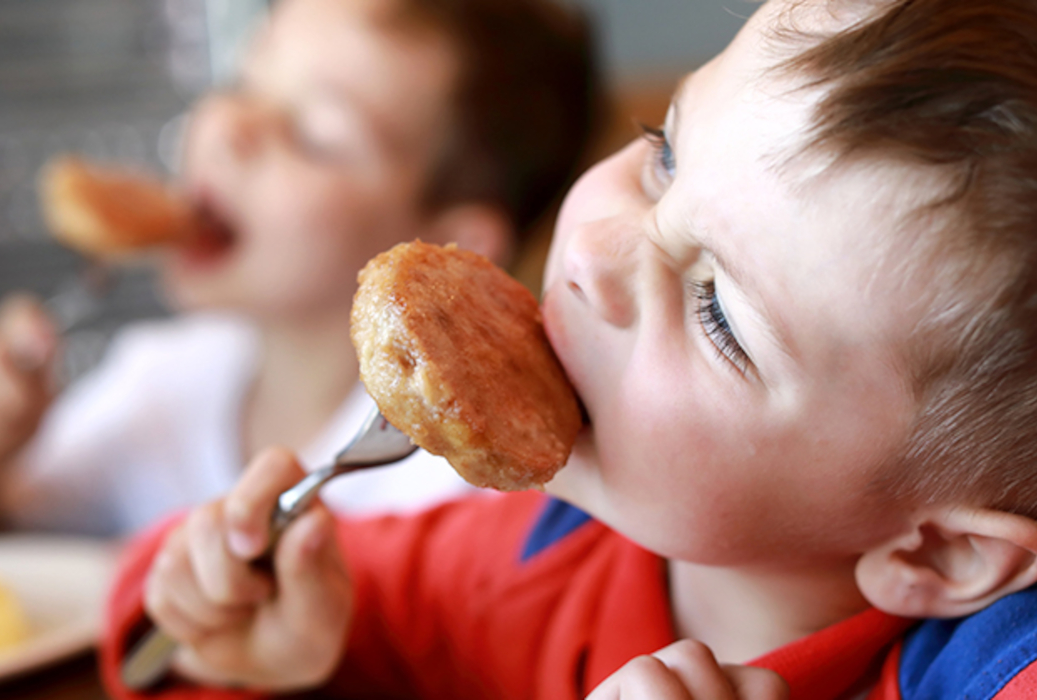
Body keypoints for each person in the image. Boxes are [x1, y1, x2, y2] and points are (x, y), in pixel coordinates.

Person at [98, 0, 1037, 697]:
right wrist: (245, 634)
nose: (589, 253)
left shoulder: (991, 669)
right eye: (662, 153)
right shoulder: (521, 562)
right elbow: (166, 608)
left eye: (718, 314)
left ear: (940, 552)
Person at [0, 0, 600, 535]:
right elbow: (16, 529)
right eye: (243, 83)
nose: (230, 127)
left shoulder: (459, 491)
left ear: (447, 241)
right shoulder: (159, 381)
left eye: (313, 132)